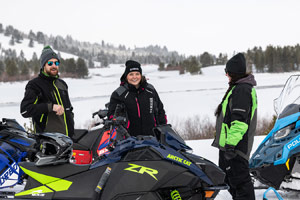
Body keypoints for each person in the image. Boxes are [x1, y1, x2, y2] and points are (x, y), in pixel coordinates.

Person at [212, 53, 257, 200]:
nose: (227, 75)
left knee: (241, 183)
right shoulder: (238, 87)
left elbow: (239, 122)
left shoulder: (242, 90)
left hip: (236, 148)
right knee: (229, 180)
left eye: (228, 72)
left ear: (234, 73)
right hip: (229, 147)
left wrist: (231, 145)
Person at [20, 46, 74, 137]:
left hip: (67, 140)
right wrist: (50, 107)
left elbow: (69, 110)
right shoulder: (35, 85)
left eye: (56, 63)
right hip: (48, 141)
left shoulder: (62, 84)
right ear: (44, 65)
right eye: (50, 63)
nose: (54, 66)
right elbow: (25, 110)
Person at [108, 60, 167, 136]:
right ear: (126, 76)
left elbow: (160, 111)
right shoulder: (118, 94)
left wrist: (163, 131)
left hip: (152, 139)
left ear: (141, 75)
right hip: (129, 140)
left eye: (137, 74)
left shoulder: (150, 90)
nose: (134, 77)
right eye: (131, 74)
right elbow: (112, 117)